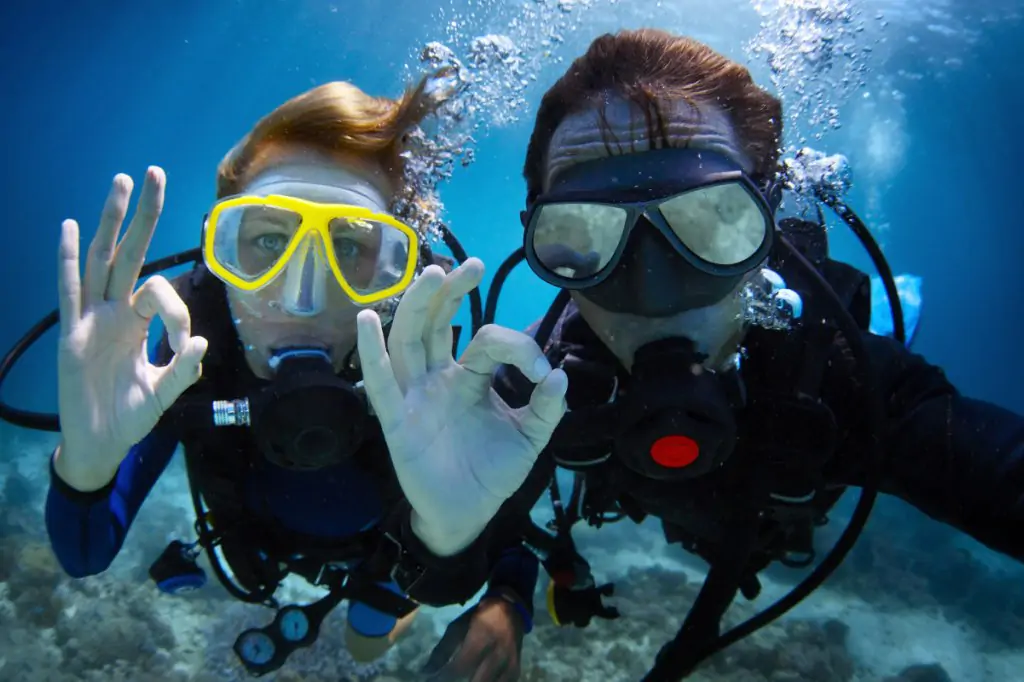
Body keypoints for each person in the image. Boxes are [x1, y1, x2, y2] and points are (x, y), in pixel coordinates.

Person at [422, 29, 1024, 682]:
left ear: (764, 224)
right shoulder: (539, 378)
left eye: (712, 222)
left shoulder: (839, 377)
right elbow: (464, 542)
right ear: (544, 245)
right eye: (582, 235)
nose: (652, 292)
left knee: (874, 322)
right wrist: (470, 559)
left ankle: (888, 303)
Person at [42, 76, 567, 675]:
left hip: (384, 559)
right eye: (267, 240)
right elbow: (85, 554)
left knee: (366, 639)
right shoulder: (189, 349)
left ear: (400, 274)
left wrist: (452, 546)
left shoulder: (425, 359)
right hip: (258, 550)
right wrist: (85, 467)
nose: (302, 300)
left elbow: (508, 522)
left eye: (350, 250)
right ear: (222, 254)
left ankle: (381, 614)